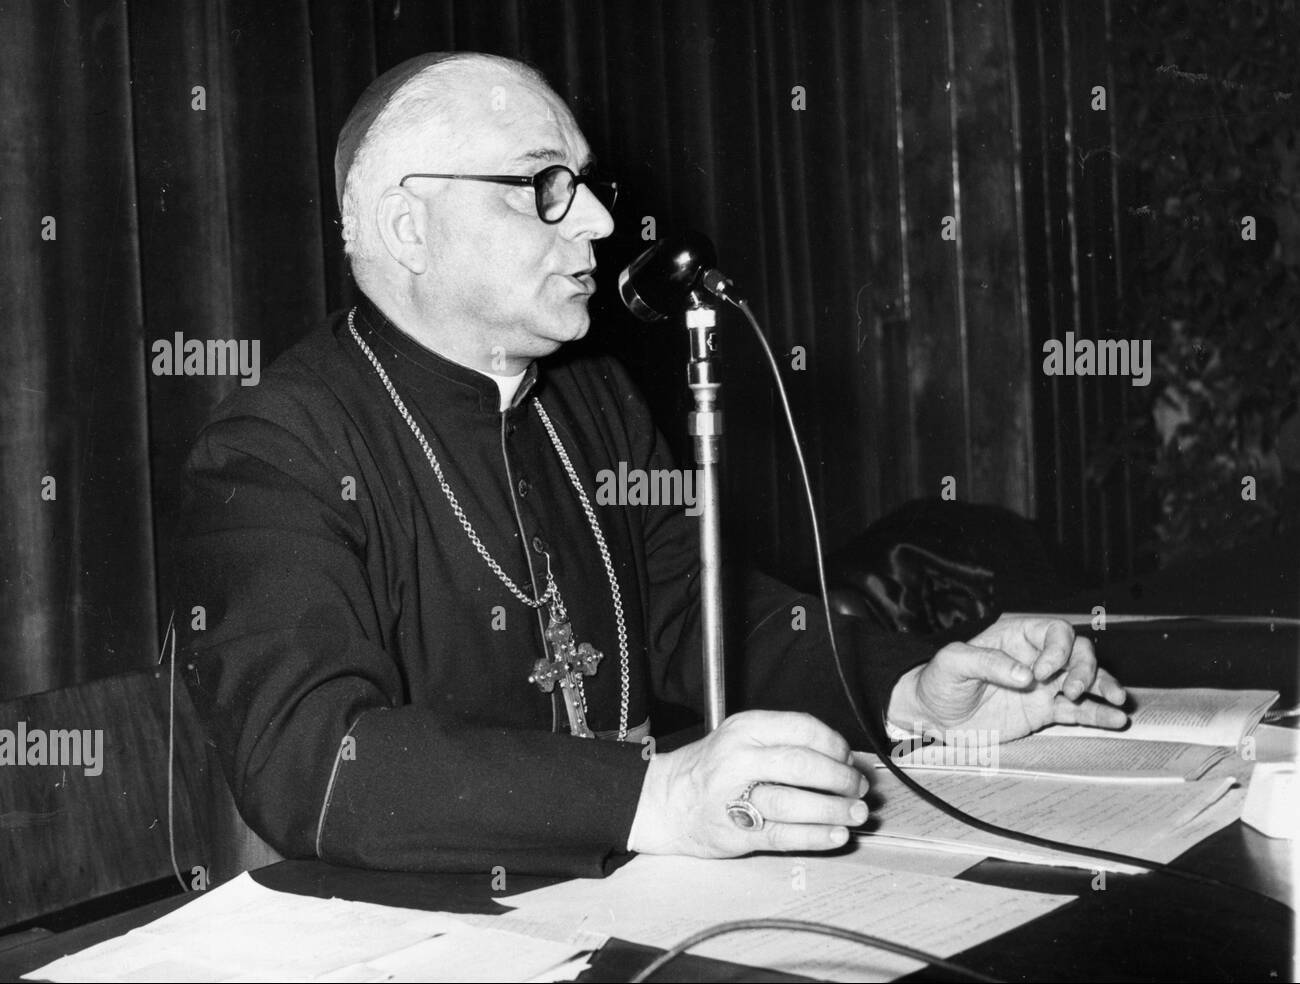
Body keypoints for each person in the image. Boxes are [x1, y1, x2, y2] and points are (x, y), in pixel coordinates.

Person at [177, 51, 1126, 877]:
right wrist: (657, 795)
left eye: (588, 184)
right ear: (407, 228)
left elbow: (696, 614)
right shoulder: (276, 447)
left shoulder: (591, 398)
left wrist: (915, 689)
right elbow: (315, 755)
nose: (593, 219)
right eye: (543, 182)